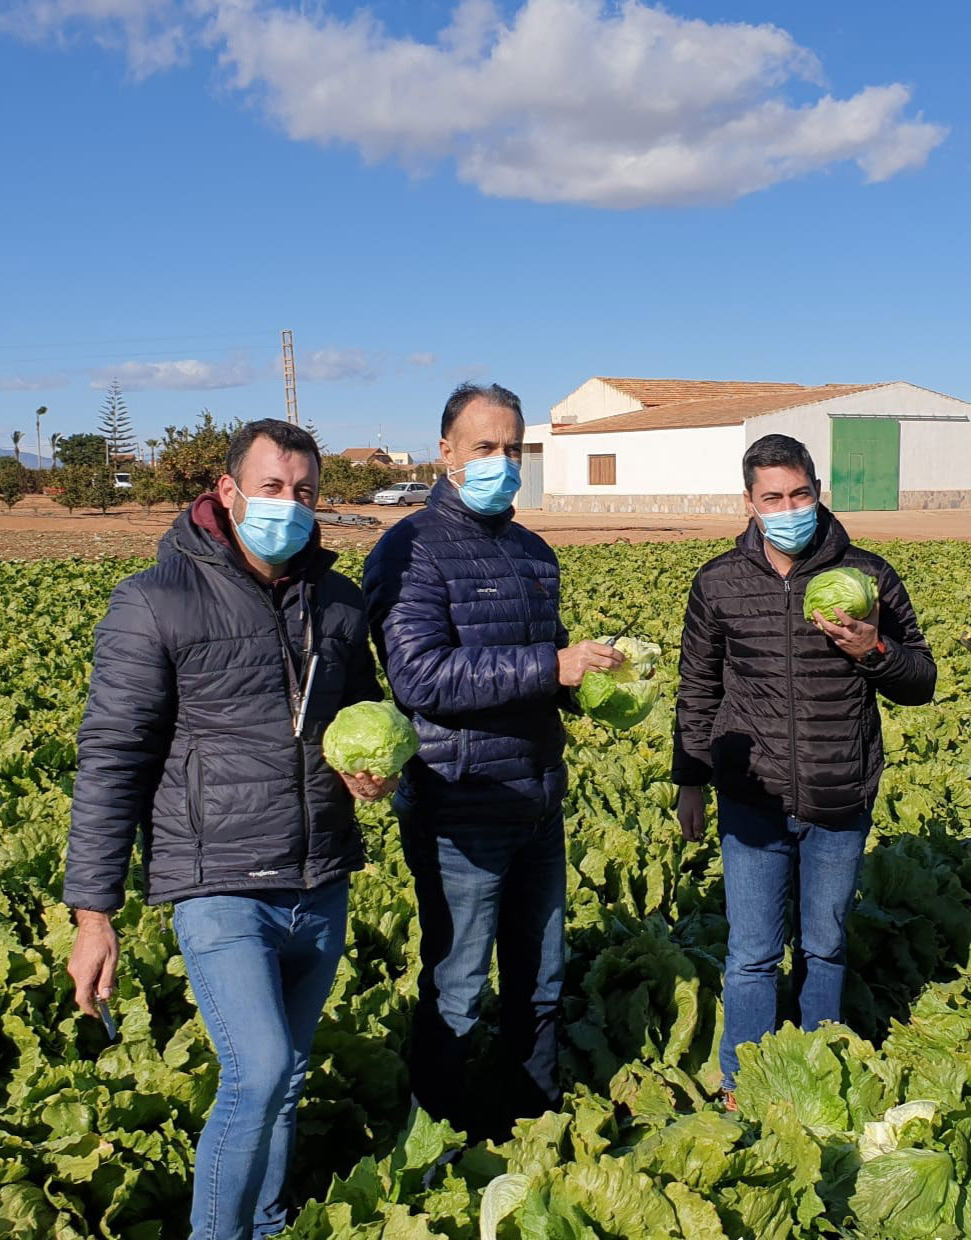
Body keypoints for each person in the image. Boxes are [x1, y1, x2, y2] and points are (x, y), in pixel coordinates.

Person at [62, 419, 393, 1240]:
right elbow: (112, 756)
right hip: (217, 882)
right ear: (228, 492)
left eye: (304, 492)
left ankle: (269, 1224)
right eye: (272, 487)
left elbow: (363, 713)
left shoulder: (340, 602)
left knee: (287, 1077)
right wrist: (92, 915)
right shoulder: (155, 600)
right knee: (260, 1069)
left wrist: (372, 770)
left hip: (319, 874)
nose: (288, 504)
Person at [361, 383, 622, 1141]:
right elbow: (418, 678)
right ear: (445, 453)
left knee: (539, 982)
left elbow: (552, 669)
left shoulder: (533, 553)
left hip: (535, 798)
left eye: (512, 449)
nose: (501, 462)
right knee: (458, 985)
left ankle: (529, 1123)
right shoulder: (408, 549)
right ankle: (435, 1136)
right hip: (458, 806)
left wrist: (594, 682)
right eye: (484, 448)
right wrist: (550, 667)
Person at [672, 433, 937, 1105]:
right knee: (753, 953)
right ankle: (744, 1084)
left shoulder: (868, 578)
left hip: (837, 787)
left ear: (817, 493)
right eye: (771, 497)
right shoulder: (719, 583)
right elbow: (697, 688)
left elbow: (920, 680)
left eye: (798, 494)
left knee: (824, 944)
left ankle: (819, 1069)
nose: (787, 507)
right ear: (749, 502)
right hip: (750, 795)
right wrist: (689, 781)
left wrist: (872, 648)